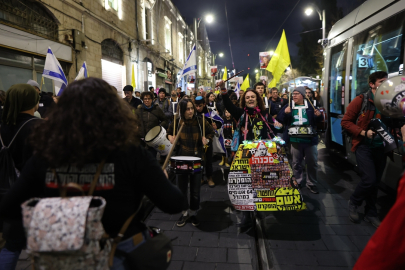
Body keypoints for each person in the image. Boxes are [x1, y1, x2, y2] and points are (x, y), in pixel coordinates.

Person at [0, 78, 185, 270]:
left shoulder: (46, 156)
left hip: (63, 255)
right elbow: (174, 203)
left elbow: (9, 207)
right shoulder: (131, 155)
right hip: (118, 251)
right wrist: (159, 180)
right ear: (114, 111)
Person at [220, 80, 282, 229]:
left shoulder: (264, 114)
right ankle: (246, 216)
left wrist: (278, 125)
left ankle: (260, 209)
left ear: (257, 99)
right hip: (245, 155)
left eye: (252, 97)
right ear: (244, 100)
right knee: (245, 185)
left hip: (262, 154)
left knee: (260, 183)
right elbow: (228, 105)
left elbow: (275, 126)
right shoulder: (241, 113)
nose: (250, 99)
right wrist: (223, 90)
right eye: (247, 97)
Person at [0, 84, 41, 270]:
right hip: (34, 194)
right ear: (34, 102)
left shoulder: (2, 126)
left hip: (7, 193)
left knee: (12, 245)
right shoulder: (38, 127)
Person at [341, 71, 388, 228]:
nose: (385, 84)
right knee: (369, 179)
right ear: (372, 84)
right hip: (363, 146)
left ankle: (371, 212)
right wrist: (363, 132)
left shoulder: (389, 101)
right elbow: (346, 121)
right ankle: (354, 202)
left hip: (381, 147)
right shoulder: (361, 100)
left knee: (375, 183)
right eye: (381, 81)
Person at [167, 99, 214, 227]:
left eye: (192, 108)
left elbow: (211, 132)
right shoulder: (177, 122)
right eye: (187, 109)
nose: (191, 111)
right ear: (182, 110)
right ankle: (184, 212)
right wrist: (170, 137)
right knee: (181, 189)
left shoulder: (200, 121)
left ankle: (193, 212)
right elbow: (168, 132)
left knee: (195, 190)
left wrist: (207, 140)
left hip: (197, 158)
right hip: (181, 158)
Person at [277, 87, 322, 194]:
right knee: (296, 163)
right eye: (293, 94)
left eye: (297, 94)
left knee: (312, 163)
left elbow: (318, 121)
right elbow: (279, 119)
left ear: (303, 95)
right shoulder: (288, 106)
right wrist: (285, 113)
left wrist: (318, 116)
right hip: (294, 140)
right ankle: (297, 181)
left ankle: (312, 183)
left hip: (309, 140)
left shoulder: (311, 106)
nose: (294, 96)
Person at [194, 96, 223, 187]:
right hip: (196, 139)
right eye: (196, 106)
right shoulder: (193, 112)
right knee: (198, 159)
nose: (198, 108)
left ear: (204, 104)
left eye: (200, 106)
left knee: (208, 160)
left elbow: (219, 122)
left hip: (208, 139)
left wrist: (216, 126)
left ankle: (209, 177)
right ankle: (200, 177)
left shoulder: (210, 113)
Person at [136, 91, 168, 157]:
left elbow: (165, 120)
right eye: (145, 99)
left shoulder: (157, 109)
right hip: (141, 139)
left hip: (153, 139)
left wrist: (159, 128)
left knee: (151, 158)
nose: (147, 100)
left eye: (149, 99)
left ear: (152, 99)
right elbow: (134, 121)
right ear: (142, 99)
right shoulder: (139, 110)